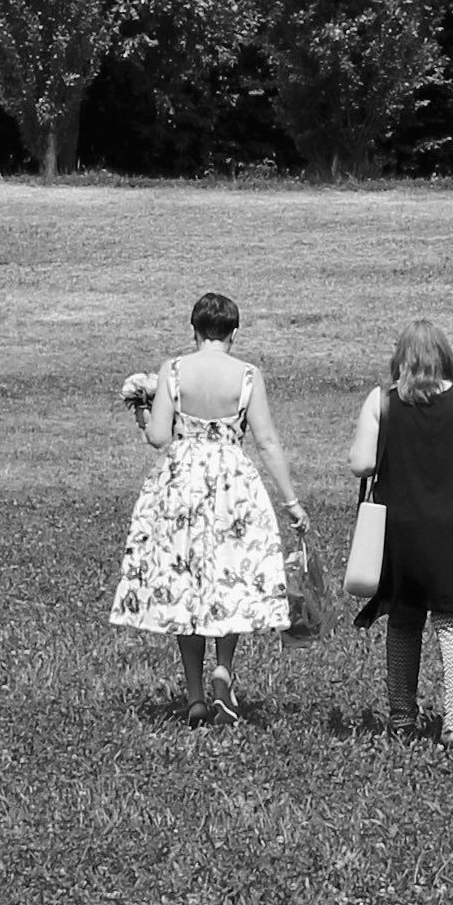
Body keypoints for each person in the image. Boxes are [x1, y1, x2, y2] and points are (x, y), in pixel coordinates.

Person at [110, 291, 310, 725]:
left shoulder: (174, 370)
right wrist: (291, 501)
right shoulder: (248, 375)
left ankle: (196, 695)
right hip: (232, 482)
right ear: (233, 332)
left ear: (194, 330)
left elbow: (161, 437)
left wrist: (143, 415)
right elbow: (268, 441)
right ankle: (224, 669)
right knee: (230, 574)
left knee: (185, 580)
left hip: (181, 483)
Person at [347, 320, 453, 746]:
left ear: (400, 358)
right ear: (445, 357)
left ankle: (403, 719)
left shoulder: (381, 401)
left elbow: (361, 464)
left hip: (401, 529)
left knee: (404, 621)